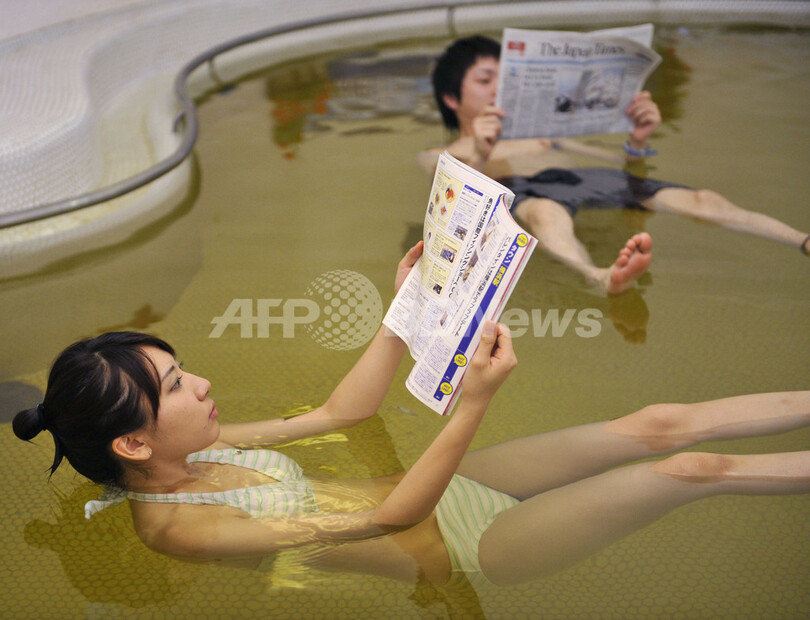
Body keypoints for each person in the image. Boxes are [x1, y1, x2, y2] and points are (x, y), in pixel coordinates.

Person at [12, 242, 810, 590]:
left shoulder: (199, 450)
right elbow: (387, 519)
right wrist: (475, 403)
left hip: (447, 489)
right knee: (690, 469)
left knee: (657, 423)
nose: (203, 383)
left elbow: (339, 412)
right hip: (468, 546)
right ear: (133, 441)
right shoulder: (178, 529)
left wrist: (405, 311)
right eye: (178, 385)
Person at [419, 36, 810, 295]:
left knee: (703, 199)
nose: (498, 89)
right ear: (452, 99)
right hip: (521, 187)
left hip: (584, 178)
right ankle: (598, 275)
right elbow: (455, 201)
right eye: (485, 80)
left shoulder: (548, 136)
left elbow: (625, 166)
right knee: (545, 212)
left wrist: (637, 141)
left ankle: (802, 240)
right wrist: (481, 152)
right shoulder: (442, 152)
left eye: (505, 78)